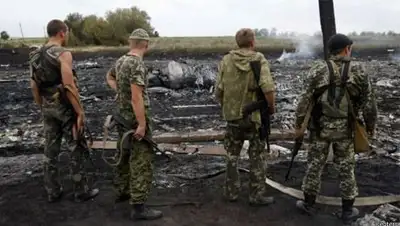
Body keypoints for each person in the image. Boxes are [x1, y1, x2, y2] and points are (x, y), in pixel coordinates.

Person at [294, 33, 377, 224]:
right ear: (347, 48)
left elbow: (304, 101)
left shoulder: (317, 69)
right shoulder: (359, 70)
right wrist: (370, 127)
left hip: (320, 129)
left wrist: (300, 124)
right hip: (346, 130)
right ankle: (347, 210)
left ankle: (308, 204)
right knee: (346, 167)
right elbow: (369, 104)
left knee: (314, 165)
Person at [29, 19, 99, 203]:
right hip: (65, 107)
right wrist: (80, 112)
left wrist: (41, 106)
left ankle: (53, 191)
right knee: (75, 146)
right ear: (62, 32)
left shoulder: (35, 55)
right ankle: (80, 190)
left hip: (47, 106)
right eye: (66, 33)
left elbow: (34, 85)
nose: (66, 36)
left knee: (50, 150)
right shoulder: (63, 54)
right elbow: (69, 85)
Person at [214, 28, 276, 205]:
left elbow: (218, 90)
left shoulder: (226, 60)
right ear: (252, 42)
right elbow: (268, 88)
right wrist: (271, 108)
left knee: (232, 155)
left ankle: (231, 192)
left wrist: (227, 107)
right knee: (257, 155)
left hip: (232, 117)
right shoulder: (258, 59)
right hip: (254, 118)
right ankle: (256, 195)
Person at [106, 28, 162, 221]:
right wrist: (142, 124)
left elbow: (110, 76)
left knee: (123, 154)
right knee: (141, 161)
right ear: (145, 44)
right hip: (133, 120)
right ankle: (138, 207)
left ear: (131, 43)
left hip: (121, 118)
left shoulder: (121, 61)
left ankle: (122, 191)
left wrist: (120, 93)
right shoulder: (137, 64)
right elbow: (137, 97)